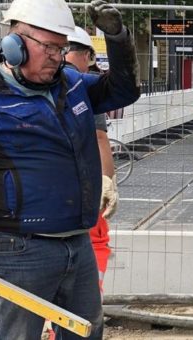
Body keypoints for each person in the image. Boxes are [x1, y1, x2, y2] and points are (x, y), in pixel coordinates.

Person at [0, 0, 140, 338]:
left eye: (62, 48)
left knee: (87, 332)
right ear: (14, 43)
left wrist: (117, 38)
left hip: (77, 242)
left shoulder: (71, 83)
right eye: (49, 47)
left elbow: (124, 90)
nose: (57, 57)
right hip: (18, 250)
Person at [65, 26, 118, 295]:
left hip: (38, 197)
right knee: (95, 240)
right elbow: (98, 138)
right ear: (85, 55)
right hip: (81, 191)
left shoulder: (27, 79)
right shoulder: (81, 85)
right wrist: (107, 182)